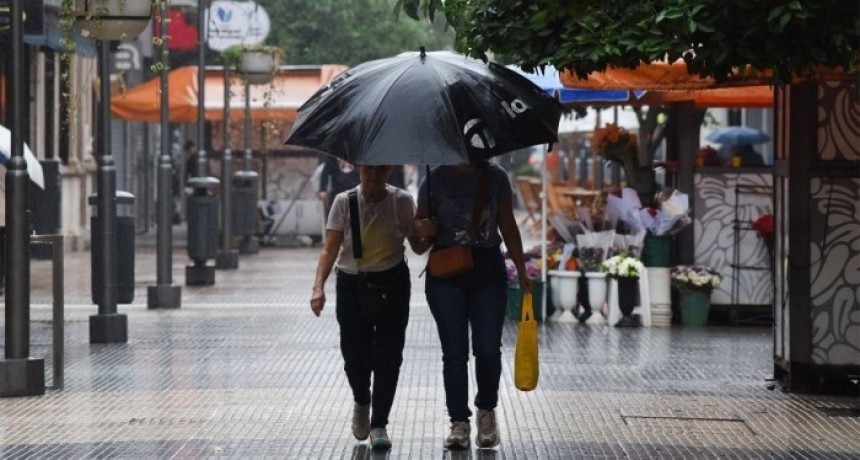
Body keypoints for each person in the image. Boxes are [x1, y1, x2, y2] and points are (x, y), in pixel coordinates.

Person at [310, 165, 433, 451]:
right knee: (354, 355)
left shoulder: (402, 201)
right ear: (358, 169)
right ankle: (362, 400)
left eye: (381, 171)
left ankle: (379, 423)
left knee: (389, 357)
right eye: (369, 171)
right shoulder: (344, 202)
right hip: (353, 285)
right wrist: (318, 287)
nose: (375, 177)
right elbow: (330, 248)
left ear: (389, 170)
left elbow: (417, 247)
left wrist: (426, 232)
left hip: (393, 285)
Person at [413, 160, 531, 449]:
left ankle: (486, 412)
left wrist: (522, 269)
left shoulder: (496, 176)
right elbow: (418, 245)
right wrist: (423, 230)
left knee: (488, 348)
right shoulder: (432, 179)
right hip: (446, 271)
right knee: (454, 353)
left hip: (488, 269)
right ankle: (459, 422)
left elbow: (507, 223)